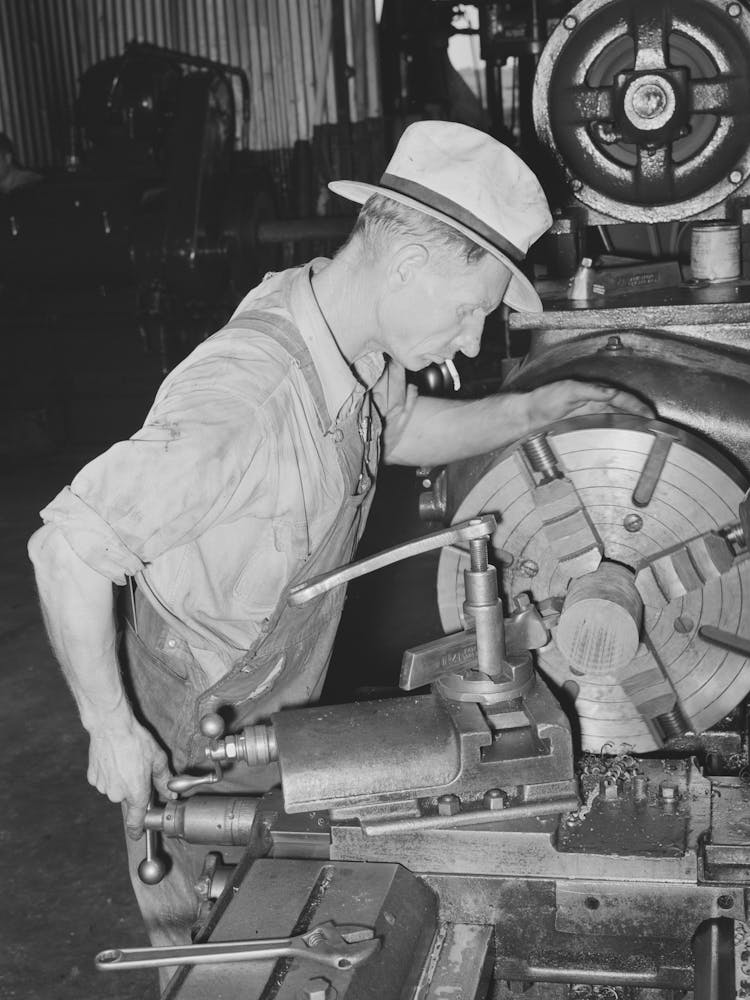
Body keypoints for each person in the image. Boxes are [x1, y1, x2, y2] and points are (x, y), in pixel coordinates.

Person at [28, 120, 650, 970]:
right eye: (471, 309)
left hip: (270, 688)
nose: (473, 341)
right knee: (211, 951)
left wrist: (541, 409)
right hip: (193, 706)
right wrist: (110, 726)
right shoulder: (246, 401)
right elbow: (67, 547)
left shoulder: (352, 337)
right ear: (407, 264)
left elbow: (397, 427)